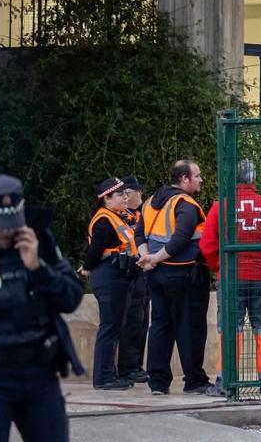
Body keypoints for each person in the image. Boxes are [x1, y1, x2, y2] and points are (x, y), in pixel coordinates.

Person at [0, 175, 85, 442]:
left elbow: (71, 298)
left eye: (12, 223)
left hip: (39, 372)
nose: (8, 231)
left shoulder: (38, 237)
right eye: (0, 225)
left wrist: (38, 269)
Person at [200, 159, 261, 397]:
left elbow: (207, 245)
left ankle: (227, 382)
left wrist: (220, 267)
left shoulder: (221, 207)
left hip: (231, 277)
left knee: (231, 328)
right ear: (254, 179)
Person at [135, 160, 214, 395]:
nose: (201, 180)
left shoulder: (150, 201)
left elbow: (139, 233)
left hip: (156, 274)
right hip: (183, 272)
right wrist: (156, 258)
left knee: (160, 324)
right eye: (197, 176)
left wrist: (147, 258)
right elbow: (180, 238)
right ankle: (195, 380)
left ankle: (158, 382)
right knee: (188, 325)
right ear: (184, 179)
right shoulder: (185, 204)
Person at [79, 177, 139, 390]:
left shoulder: (118, 217)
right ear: (106, 198)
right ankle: (103, 377)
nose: (125, 197)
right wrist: (86, 266)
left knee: (115, 327)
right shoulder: (104, 220)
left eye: (126, 193)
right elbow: (94, 251)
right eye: (120, 194)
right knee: (109, 328)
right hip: (109, 277)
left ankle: (110, 374)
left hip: (119, 277)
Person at [117, 174, 149, 383]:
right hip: (129, 273)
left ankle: (136, 365)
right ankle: (128, 367)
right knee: (132, 321)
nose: (141, 195)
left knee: (142, 321)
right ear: (128, 194)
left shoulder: (140, 214)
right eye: (138, 192)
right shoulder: (122, 217)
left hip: (143, 273)